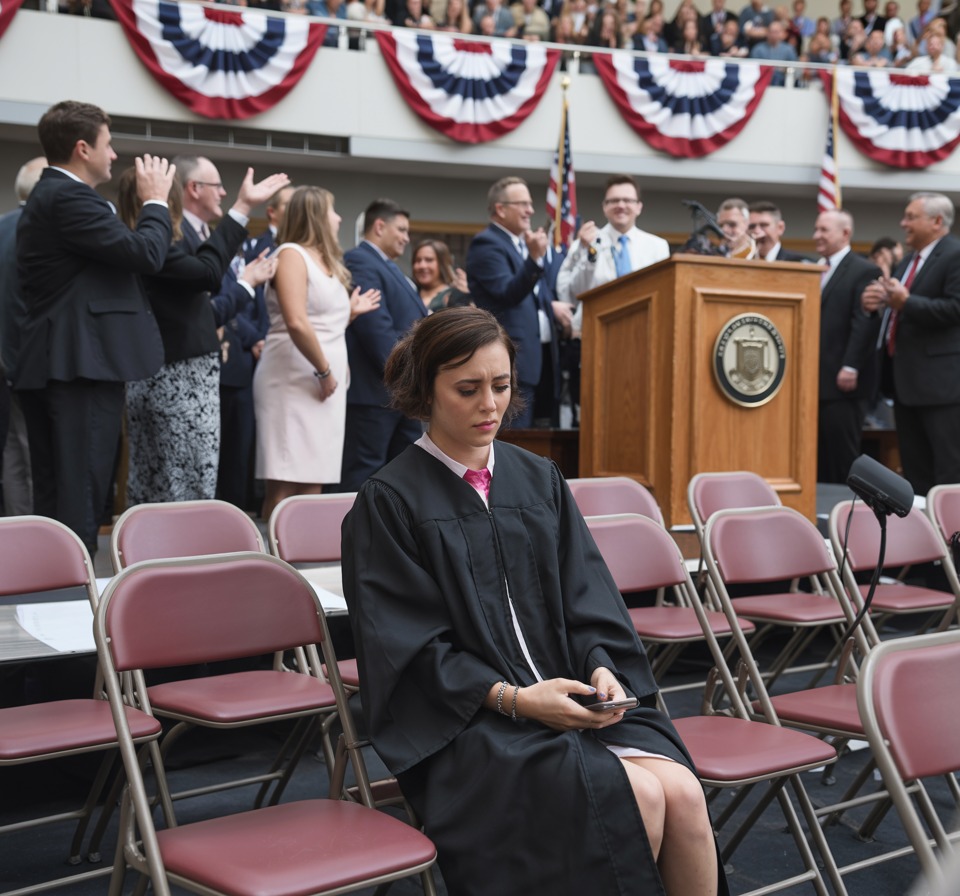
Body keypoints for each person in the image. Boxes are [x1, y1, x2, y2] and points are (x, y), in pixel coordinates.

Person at [342, 305, 724, 896]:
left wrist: (600, 664)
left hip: (573, 695)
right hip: (472, 723)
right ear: (426, 391)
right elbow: (408, 650)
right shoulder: (390, 501)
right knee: (639, 796)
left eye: (500, 386)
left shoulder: (538, 479)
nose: (489, 405)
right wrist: (518, 701)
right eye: (467, 389)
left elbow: (586, 595)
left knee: (683, 790)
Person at [15, 100, 175, 554]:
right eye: (108, 144)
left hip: (62, 362)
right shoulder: (67, 196)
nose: (114, 154)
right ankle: (69, 604)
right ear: (82, 149)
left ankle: (55, 597)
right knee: (79, 493)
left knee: (67, 494)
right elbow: (146, 254)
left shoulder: (56, 196)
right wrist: (156, 201)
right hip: (76, 366)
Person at [117, 165, 287, 507]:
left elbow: (196, 313)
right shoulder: (155, 242)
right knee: (176, 486)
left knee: (185, 482)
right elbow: (207, 276)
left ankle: (176, 557)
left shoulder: (159, 240)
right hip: (175, 381)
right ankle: (170, 559)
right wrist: (246, 281)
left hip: (185, 378)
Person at [254, 186, 381, 520]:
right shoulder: (290, 254)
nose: (338, 218)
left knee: (314, 479)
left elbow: (321, 320)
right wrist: (324, 371)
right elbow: (296, 321)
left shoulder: (326, 260)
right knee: (285, 482)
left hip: (324, 383)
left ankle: (303, 562)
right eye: (333, 210)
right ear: (316, 216)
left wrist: (349, 312)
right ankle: (275, 562)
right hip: (295, 378)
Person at [861, 192, 960, 495]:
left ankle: (952, 537)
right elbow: (899, 309)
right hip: (906, 384)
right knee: (916, 473)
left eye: (911, 217)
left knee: (948, 471)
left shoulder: (955, 254)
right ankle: (925, 537)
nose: (903, 223)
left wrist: (907, 301)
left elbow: (955, 308)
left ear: (937, 221)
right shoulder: (907, 262)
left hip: (942, 388)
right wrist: (876, 305)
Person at [340, 198, 427, 491]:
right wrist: (407, 377)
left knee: (399, 476)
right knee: (364, 474)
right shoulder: (361, 260)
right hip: (376, 391)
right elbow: (375, 328)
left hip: (397, 392)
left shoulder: (390, 267)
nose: (406, 237)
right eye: (401, 229)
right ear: (379, 226)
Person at [218, 184, 296, 510]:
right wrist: (256, 339)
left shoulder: (302, 249)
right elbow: (237, 297)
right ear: (273, 212)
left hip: (290, 362)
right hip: (249, 355)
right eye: (290, 205)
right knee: (240, 444)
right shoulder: (253, 247)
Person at [466, 177, 558, 428]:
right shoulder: (487, 244)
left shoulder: (518, 244)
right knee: (511, 442)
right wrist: (535, 259)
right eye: (523, 204)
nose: (531, 210)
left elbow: (532, 295)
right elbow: (506, 292)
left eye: (530, 204)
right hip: (509, 360)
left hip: (534, 362)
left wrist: (552, 307)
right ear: (500, 209)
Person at [813, 209, 881, 483]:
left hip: (844, 385)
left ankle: (845, 517)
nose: (816, 235)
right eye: (816, 229)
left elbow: (864, 322)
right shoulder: (814, 268)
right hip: (816, 383)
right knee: (817, 458)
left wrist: (850, 366)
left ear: (845, 233)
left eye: (823, 230)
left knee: (842, 458)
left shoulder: (865, 270)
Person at [556, 175, 671, 328]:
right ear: (604, 207)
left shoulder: (657, 246)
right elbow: (572, 294)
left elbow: (664, 295)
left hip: (645, 328)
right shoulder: (583, 243)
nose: (621, 205)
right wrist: (587, 252)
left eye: (628, 200)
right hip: (595, 329)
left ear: (639, 207)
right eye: (614, 200)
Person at [0, 156, 45, 517]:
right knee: (37, 459)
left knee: (12, 456)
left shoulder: (1, 226)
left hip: (4, 360)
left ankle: (15, 535)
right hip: (32, 360)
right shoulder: (41, 228)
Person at [411, 238, 469, 312]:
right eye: (418, 260)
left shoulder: (455, 296)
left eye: (429, 260)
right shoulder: (408, 291)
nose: (422, 266)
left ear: (442, 263)